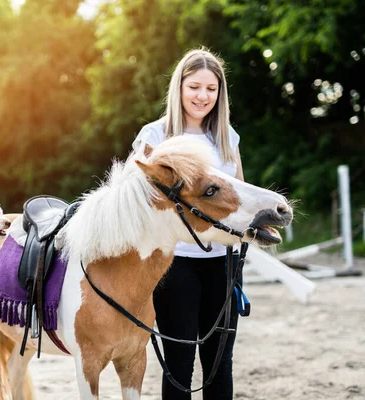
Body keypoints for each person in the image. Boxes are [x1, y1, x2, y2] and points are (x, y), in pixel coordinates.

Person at [132, 48, 244, 399]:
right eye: (194, 86)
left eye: (211, 89)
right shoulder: (154, 137)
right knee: (179, 364)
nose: (202, 96)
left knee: (218, 365)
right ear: (179, 87)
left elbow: (238, 200)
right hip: (173, 264)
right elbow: (138, 205)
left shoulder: (227, 138)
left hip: (223, 264)